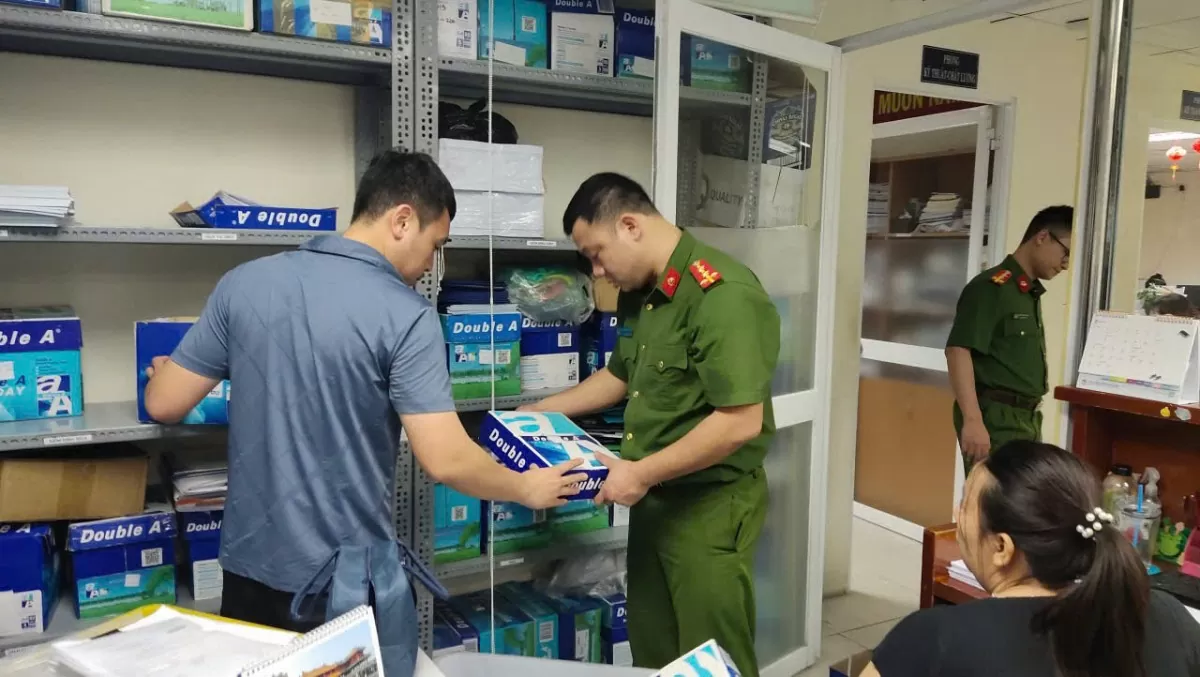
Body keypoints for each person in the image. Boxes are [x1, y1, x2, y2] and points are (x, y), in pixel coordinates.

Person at [142, 151, 585, 667]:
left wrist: (169, 369)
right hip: (340, 586)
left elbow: (164, 402)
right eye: (435, 245)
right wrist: (525, 487)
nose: (431, 265)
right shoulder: (407, 316)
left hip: (246, 574)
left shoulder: (244, 283)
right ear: (402, 220)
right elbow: (446, 459)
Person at [520, 173, 780, 676]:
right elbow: (619, 376)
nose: (597, 271)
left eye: (597, 254)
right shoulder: (644, 292)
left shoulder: (723, 294)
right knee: (655, 652)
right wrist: (543, 411)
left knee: (712, 659)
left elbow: (739, 423)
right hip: (651, 501)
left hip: (708, 507)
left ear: (630, 226)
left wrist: (638, 473)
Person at [862, 440, 1200, 677]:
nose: (955, 513)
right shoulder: (1170, 616)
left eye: (965, 505)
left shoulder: (932, 639)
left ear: (1001, 548)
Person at [946, 205, 1073, 473]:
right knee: (992, 495)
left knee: (1020, 495)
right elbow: (958, 351)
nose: (1066, 264)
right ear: (1042, 237)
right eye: (1066, 252)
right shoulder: (991, 288)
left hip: (1026, 418)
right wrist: (973, 420)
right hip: (996, 418)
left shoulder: (1026, 292)